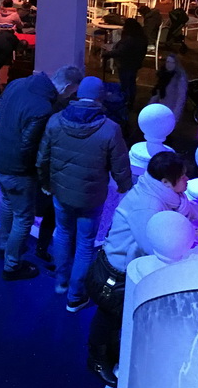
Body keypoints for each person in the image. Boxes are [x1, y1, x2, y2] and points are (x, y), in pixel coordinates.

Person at [86, 151, 194, 387]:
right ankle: (97, 360)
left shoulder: (166, 196)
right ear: (166, 182)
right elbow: (152, 244)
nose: (187, 181)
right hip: (117, 272)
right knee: (109, 317)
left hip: (123, 267)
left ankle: (110, 353)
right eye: (183, 177)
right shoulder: (148, 205)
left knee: (115, 319)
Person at [38, 76, 132, 312]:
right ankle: (75, 296)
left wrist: (45, 183)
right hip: (91, 197)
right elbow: (120, 165)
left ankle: (60, 282)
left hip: (60, 192)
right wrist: (124, 186)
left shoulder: (55, 121)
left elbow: (43, 157)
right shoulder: (110, 129)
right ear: (100, 97)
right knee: (85, 244)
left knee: (62, 234)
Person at [0, 65, 83, 281]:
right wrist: (42, 178)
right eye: (72, 92)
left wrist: (4, 138)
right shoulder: (43, 108)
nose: (71, 96)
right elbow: (29, 149)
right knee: (24, 217)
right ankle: (12, 266)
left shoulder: (17, 83)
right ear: (67, 86)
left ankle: (4, 245)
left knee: (8, 202)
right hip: (16, 169)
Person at [102, 18, 148, 110]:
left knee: (125, 84)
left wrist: (106, 54)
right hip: (135, 64)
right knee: (132, 83)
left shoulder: (128, 40)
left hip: (125, 64)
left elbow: (120, 52)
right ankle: (131, 101)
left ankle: (124, 102)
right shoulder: (142, 38)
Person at [148, 53, 188, 122]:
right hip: (161, 108)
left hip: (170, 110)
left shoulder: (179, 78)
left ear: (175, 63)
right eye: (167, 62)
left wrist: (175, 117)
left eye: (171, 62)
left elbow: (181, 98)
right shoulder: (163, 74)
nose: (169, 64)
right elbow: (158, 92)